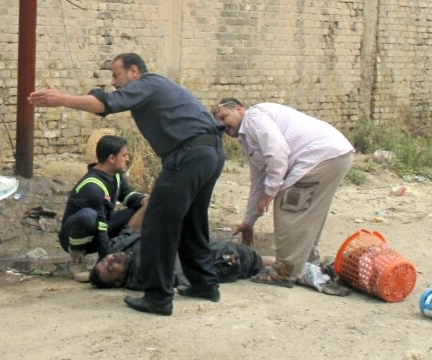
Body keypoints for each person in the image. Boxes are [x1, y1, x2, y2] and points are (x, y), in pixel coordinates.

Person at [29, 53, 225, 316]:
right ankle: (204, 284)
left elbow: (106, 104)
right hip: (209, 153)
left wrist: (62, 99)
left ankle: (158, 297)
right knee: (192, 222)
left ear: (134, 71)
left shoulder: (145, 84)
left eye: (116, 75)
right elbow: (102, 99)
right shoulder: (155, 87)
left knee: (157, 224)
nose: (113, 82)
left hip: (187, 156)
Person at [212, 98, 354, 289]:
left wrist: (271, 191)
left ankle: (284, 272)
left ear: (239, 110)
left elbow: (278, 153)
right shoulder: (248, 138)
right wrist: (249, 221)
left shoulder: (253, 118)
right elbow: (258, 181)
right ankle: (307, 265)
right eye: (218, 121)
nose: (222, 124)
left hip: (320, 155)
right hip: (335, 154)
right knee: (307, 214)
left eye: (224, 117)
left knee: (287, 206)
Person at [59, 135, 148, 282]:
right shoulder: (92, 186)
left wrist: (144, 200)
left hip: (100, 225)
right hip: (74, 236)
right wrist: (101, 265)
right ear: (112, 158)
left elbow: (127, 196)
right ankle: (77, 259)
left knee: (136, 212)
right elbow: (101, 231)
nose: (127, 159)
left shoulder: (116, 176)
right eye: (124, 155)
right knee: (88, 216)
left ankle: (124, 256)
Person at [90, 229, 275, 290]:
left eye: (105, 260)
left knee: (255, 261)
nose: (111, 260)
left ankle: (289, 266)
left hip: (203, 249)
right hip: (220, 260)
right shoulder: (142, 271)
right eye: (111, 268)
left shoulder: (124, 252)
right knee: (253, 261)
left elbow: (132, 227)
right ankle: (296, 269)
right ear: (119, 281)